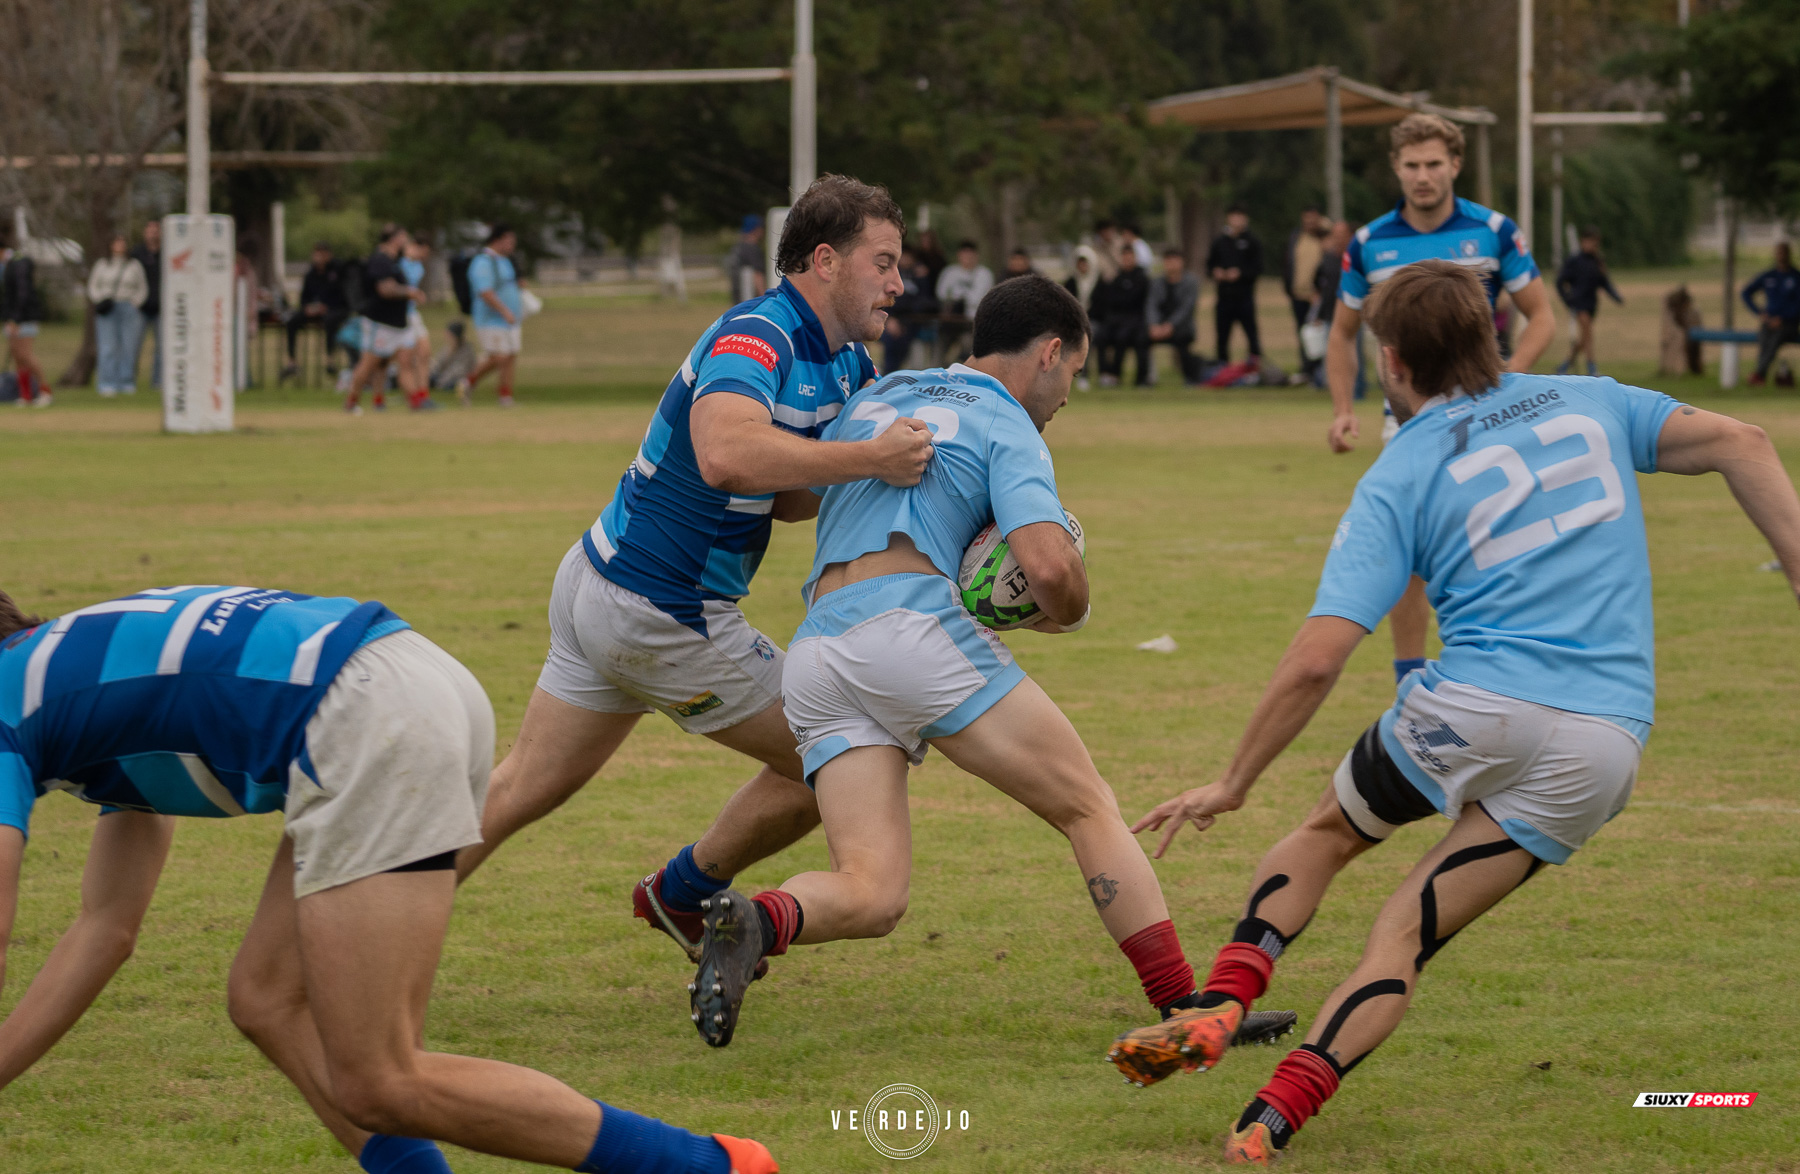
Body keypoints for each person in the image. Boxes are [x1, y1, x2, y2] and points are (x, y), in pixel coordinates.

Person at [1115, 260, 1800, 1165]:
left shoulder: (1399, 471)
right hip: (1603, 744)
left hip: (1471, 709)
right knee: (1406, 932)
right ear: (1495, 334)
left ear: (1392, 362)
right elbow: (1744, 441)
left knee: (1327, 835)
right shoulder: (1592, 400)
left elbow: (1320, 657)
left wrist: (1234, 780)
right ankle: (1268, 1120)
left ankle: (1223, 1000)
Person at [686, 275, 1292, 1055]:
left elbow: (799, 488)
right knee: (1086, 805)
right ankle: (1185, 1008)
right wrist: (1065, 609)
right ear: (1048, 352)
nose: (1068, 393)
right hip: (908, 627)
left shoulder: (886, 391)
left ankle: (757, 920)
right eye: (1073, 370)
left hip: (820, 648)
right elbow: (1047, 568)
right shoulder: (1009, 423)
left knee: (873, 893)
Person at [0, 585, 777, 1174]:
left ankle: (714, 1166)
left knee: (379, 1078)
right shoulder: (66, 670)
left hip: (362, 719)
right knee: (267, 997)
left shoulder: (11, 701)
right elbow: (106, 927)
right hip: (398, 681)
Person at [449, 177, 936, 996]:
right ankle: (683, 894)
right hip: (659, 609)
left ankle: (366, 925)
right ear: (824, 261)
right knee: (850, 747)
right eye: (882, 263)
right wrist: (867, 458)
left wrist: (898, 486)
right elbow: (724, 454)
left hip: (605, 584)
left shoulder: (849, 362)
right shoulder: (758, 333)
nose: (898, 283)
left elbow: (785, 498)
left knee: (514, 790)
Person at [1325, 111, 1557, 685]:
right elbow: (1340, 333)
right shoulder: (1369, 243)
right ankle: (1410, 674)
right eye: (1411, 165)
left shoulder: (1496, 231)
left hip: (1489, 417)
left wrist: (1505, 384)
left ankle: (1504, 661)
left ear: (1455, 164)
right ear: (1396, 169)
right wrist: (1343, 409)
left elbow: (1543, 317)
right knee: (1410, 550)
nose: (1422, 176)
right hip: (1405, 424)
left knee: (1501, 539)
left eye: (1433, 164)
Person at [344, 227, 434, 415]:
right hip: (380, 323)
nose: (407, 240)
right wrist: (409, 292)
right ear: (394, 239)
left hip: (399, 323)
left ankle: (416, 402)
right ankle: (352, 400)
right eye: (403, 237)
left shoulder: (395, 260)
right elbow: (385, 289)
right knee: (369, 364)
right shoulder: (380, 260)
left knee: (406, 362)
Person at [466, 224, 525, 407]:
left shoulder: (505, 260)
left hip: (511, 319)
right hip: (491, 319)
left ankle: (505, 396)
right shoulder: (483, 262)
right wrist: (504, 310)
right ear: (497, 240)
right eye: (509, 241)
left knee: (510, 355)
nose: (512, 245)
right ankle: (468, 382)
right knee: (499, 356)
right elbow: (485, 292)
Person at [1554, 227, 1624, 376]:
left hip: (1592, 304)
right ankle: (1591, 367)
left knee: (1583, 338)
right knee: (1588, 334)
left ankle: (1565, 365)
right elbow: (1560, 281)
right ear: (1583, 242)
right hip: (1579, 304)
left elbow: (1604, 282)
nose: (1592, 246)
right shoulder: (1574, 261)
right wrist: (1567, 299)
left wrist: (1616, 297)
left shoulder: (1598, 262)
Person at [87, 233, 149, 396]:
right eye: (116, 242)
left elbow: (142, 287)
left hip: (128, 306)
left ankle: (126, 381)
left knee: (128, 346)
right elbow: (93, 285)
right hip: (108, 308)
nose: (119, 246)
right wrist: (99, 299)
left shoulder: (134, 265)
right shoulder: (102, 264)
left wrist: (136, 303)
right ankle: (107, 382)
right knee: (108, 346)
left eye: (122, 243)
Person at [0, 227, 50, 408]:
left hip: (24, 317)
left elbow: (23, 294)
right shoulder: (6, 266)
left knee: (26, 355)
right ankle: (25, 394)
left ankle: (45, 390)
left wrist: (15, 319)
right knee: (17, 357)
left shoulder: (18, 264)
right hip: (11, 319)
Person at [285, 243, 351, 379]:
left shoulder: (338, 271)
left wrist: (327, 306)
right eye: (316, 254)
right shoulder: (311, 274)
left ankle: (330, 359)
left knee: (330, 321)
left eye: (321, 254)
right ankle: (291, 361)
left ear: (328, 255)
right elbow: (304, 298)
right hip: (314, 309)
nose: (318, 257)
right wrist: (308, 307)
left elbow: (344, 296)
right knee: (292, 321)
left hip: (335, 309)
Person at [1208, 208, 1263, 364]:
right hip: (1224, 297)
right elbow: (1210, 264)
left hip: (1244, 297)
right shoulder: (1220, 241)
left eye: (1240, 216)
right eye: (1234, 216)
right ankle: (1222, 369)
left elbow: (1257, 268)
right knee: (1222, 336)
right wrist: (1216, 272)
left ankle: (1256, 366)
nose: (1236, 220)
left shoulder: (1252, 241)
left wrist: (1240, 273)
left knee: (1252, 335)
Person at [1743, 241, 1800, 386]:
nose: (1781, 256)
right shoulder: (1769, 276)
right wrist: (1760, 313)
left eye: (1783, 252)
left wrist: (1784, 318)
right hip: (1769, 322)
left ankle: (1759, 374)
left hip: (1789, 324)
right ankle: (1760, 374)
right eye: (1778, 252)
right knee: (1763, 338)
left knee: (1775, 339)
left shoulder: (1795, 277)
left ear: (1788, 254)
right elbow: (1746, 292)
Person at [1096, 243, 1150, 387]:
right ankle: (1105, 374)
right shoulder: (1116, 277)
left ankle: (1119, 375)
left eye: (1129, 257)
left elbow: (1135, 300)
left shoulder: (1141, 277)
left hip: (1135, 320)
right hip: (1116, 318)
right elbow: (1109, 299)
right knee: (1100, 336)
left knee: (1123, 337)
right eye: (1124, 257)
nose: (1127, 260)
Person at [1147, 247, 1202, 386]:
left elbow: (1186, 309)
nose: (1170, 264)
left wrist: (1170, 325)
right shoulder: (1157, 282)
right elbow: (1151, 305)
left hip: (1180, 327)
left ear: (1181, 262)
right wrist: (1154, 325)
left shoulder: (1191, 282)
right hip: (1159, 327)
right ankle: (1146, 379)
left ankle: (1190, 379)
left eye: (1174, 260)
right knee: (1141, 337)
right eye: (1167, 261)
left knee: (1183, 340)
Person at [1284, 208, 1328, 381]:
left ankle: (1320, 372)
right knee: (1304, 335)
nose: (1309, 223)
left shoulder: (1324, 237)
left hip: (1317, 295)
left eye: (1313, 220)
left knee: (1320, 335)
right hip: (1298, 294)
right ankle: (1307, 370)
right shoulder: (1297, 237)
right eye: (1306, 220)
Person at [881, 246, 937, 373]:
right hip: (893, 318)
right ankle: (888, 373)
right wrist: (890, 318)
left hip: (913, 321)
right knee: (891, 341)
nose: (906, 259)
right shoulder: (890, 273)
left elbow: (926, 300)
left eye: (909, 257)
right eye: (903, 256)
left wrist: (922, 278)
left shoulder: (920, 274)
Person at [935, 240, 993, 360]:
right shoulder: (949, 272)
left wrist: (962, 296)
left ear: (976, 256)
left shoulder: (984, 274)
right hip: (950, 320)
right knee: (940, 353)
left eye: (970, 255)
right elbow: (941, 293)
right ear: (959, 255)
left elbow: (980, 297)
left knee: (968, 352)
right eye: (964, 254)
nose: (967, 258)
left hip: (970, 322)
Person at [1063, 244, 1104, 390]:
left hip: (1095, 321)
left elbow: (1103, 306)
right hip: (1074, 323)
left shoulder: (1099, 282)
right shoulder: (1070, 282)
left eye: (1085, 263)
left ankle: (1094, 375)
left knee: (1088, 336)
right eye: (1079, 263)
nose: (1082, 266)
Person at [129, 220, 162, 389]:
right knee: (134, 346)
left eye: (156, 231)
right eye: (149, 231)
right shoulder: (137, 253)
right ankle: (129, 381)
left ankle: (158, 381)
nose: (153, 234)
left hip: (161, 309)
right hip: (140, 308)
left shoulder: (166, 253)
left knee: (161, 348)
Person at [401, 236, 435, 393]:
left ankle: (422, 394)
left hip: (412, 314)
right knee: (405, 359)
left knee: (424, 352)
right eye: (424, 251)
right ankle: (414, 394)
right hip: (400, 316)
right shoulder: (399, 262)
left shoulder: (418, 267)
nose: (424, 256)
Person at [432, 319, 478, 396]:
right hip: (444, 377)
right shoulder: (447, 348)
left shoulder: (466, 351)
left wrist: (441, 381)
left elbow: (458, 371)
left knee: (456, 385)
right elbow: (438, 365)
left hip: (457, 379)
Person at [728, 215, 766, 303]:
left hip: (737, 294)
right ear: (756, 229)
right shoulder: (752, 249)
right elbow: (757, 274)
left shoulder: (737, 247)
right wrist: (764, 297)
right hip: (749, 295)